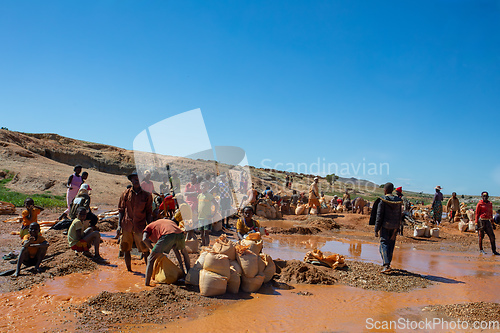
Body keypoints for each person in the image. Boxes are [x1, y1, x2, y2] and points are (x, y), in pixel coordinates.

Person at [118, 171, 153, 271]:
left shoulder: (147, 195)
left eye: (139, 178)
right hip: (126, 225)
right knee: (126, 248)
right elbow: (121, 210)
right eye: (134, 178)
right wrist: (119, 226)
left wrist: (149, 227)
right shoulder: (125, 193)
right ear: (131, 180)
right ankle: (129, 271)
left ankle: (149, 272)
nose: (136, 180)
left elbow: (148, 212)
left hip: (140, 226)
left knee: (145, 249)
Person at [143, 218, 190, 286]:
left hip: (167, 235)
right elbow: (176, 252)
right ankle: (188, 275)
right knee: (184, 253)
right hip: (180, 234)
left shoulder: (148, 227)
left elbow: (144, 239)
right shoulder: (165, 222)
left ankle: (146, 284)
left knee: (150, 259)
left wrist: (152, 249)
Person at [374, 182, 403, 274]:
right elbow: (399, 215)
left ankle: (386, 265)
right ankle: (388, 264)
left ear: (385, 190)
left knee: (383, 244)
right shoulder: (398, 200)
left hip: (385, 226)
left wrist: (376, 229)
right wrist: (398, 228)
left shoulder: (383, 200)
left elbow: (379, 216)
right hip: (395, 226)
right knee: (391, 245)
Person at [197, 181, 219, 247]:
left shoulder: (210, 196)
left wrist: (214, 214)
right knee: (201, 233)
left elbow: (216, 204)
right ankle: (203, 245)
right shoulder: (199, 196)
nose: (203, 187)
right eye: (202, 186)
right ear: (200, 187)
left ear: (208, 187)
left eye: (205, 186)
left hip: (207, 217)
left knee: (206, 233)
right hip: (200, 217)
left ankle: (207, 245)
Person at [184, 173, 200, 241]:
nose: (193, 179)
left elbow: (199, 193)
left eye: (194, 177)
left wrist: (191, 193)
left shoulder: (198, 185)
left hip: (195, 203)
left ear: (196, 178)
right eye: (192, 177)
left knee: (194, 218)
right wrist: (193, 193)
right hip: (188, 203)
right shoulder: (188, 185)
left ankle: (191, 233)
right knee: (187, 218)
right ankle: (189, 233)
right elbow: (185, 193)